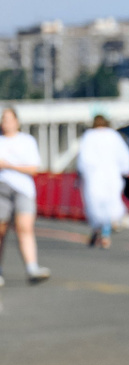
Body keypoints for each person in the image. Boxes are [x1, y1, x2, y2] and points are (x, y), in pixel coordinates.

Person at [0, 106, 52, 285]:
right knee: (1, 231)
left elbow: (33, 168)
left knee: (25, 228)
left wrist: (8, 165)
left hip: (23, 189)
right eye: (3, 119)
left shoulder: (27, 141)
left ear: (17, 121)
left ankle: (32, 267)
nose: (6, 123)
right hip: (1, 189)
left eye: (9, 119)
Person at [75, 114, 129, 249]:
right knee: (110, 205)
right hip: (112, 176)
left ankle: (97, 229)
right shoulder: (114, 136)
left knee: (95, 206)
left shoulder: (89, 136)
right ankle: (106, 234)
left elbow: (83, 159)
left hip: (94, 177)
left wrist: (81, 174)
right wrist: (126, 171)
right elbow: (124, 157)